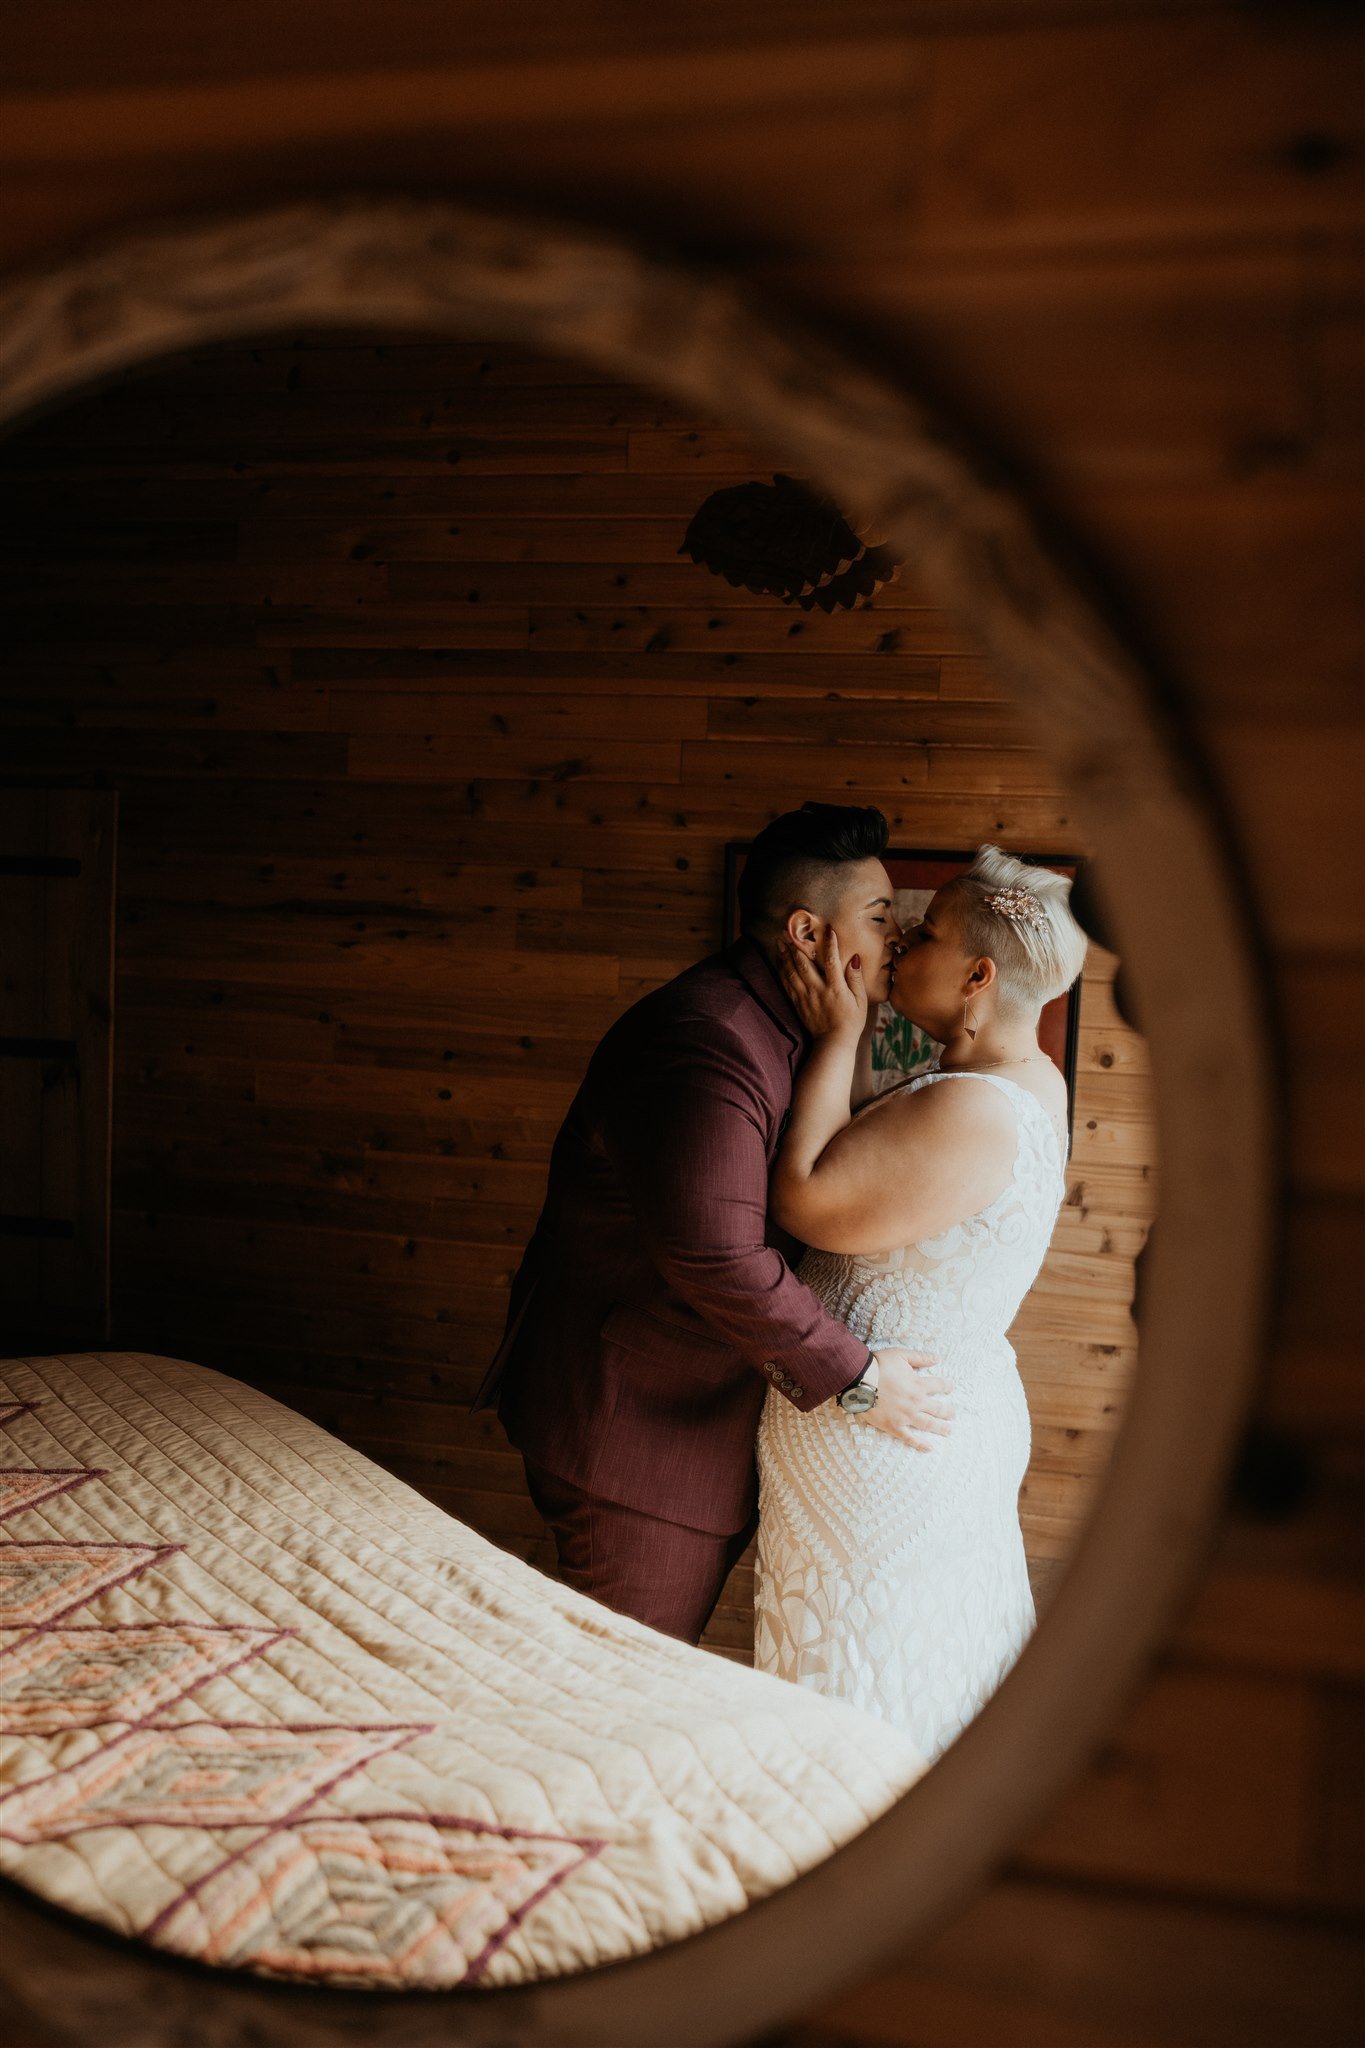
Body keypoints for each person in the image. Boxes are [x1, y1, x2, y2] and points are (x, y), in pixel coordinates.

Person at [473, 803, 955, 1644]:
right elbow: (714, 1253)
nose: (899, 936)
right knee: (624, 1679)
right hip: (635, 1434)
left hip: (709, 1415)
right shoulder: (708, 1039)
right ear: (807, 932)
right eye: (882, 918)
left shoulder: (804, 1026)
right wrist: (859, 1379)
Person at [754, 845, 1087, 1759]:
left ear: (978, 975)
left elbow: (809, 1198)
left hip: (890, 1436)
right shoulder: (1020, 1085)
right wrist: (854, 1030)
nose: (901, 936)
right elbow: (872, 1156)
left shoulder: (971, 1108)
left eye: (928, 930)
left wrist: (832, 1035)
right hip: (925, 1417)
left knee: (867, 1679)